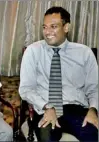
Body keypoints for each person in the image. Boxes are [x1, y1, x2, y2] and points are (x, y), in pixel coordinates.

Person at [19, 6, 98, 141]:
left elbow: (94, 87)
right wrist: (47, 107)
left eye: (53, 26)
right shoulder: (33, 51)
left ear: (66, 27)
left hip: (76, 109)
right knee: (47, 138)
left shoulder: (84, 53)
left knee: (92, 135)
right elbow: (26, 89)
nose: (47, 32)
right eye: (44, 27)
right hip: (45, 109)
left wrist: (93, 110)